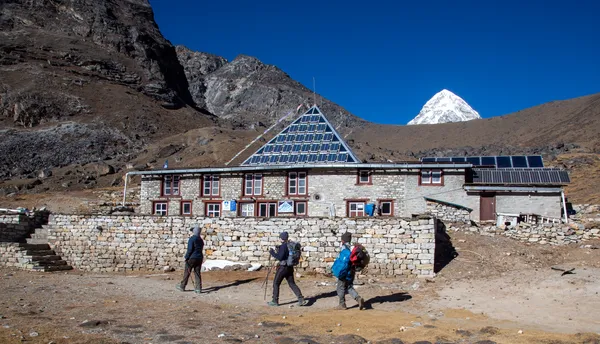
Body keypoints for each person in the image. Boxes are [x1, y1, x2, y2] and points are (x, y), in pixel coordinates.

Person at [267, 231, 308, 307]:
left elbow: (280, 257)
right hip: (290, 267)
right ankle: (301, 299)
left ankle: (275, 301)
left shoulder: (283, 246)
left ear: (281, 238)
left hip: (283, 268)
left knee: (276, 283)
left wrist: (272, 252)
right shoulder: (289, 245)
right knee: (292, 283)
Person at [333, 232, 365, 310]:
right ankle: (358, 298)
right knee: (349, 287)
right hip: (351, 271)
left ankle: (342, 304)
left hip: (344, 272)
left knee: (340, 288)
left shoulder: (344, 248)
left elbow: (342, 262)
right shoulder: (353, 248)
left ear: (343, 240)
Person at [176, 226, 204, 294]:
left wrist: (186, 257)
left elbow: (190, 249)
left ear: (194, 232)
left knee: (187, 272)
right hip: (199, 258)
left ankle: (182, 286)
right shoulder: (201, 240)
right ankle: (198, 288)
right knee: (197, 273)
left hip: (192, 258)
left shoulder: (192, 239)